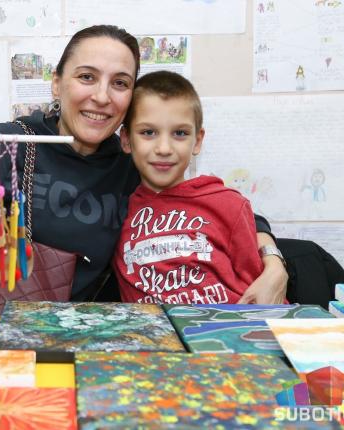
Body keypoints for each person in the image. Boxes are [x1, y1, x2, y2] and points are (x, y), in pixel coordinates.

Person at [0, 25, 288, 314]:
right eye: (86, 77)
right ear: (57, 84)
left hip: (70, 340)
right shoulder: (13, 144)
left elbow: (223, 210)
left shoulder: (132, 163)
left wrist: (273, 263)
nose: (100, 96)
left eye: (120, 83)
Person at [113, 71, 267, 305]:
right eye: (148, 132)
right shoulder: (115, 215)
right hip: (155, 337)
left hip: (227, 332)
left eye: (180, 133)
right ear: (126, 139)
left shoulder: (228, 204)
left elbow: (260, 292)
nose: (164, 148)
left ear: (197, 141)